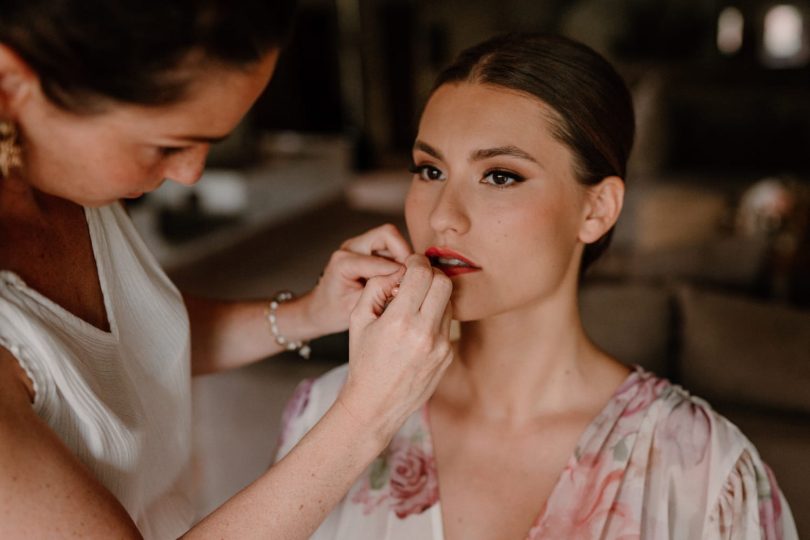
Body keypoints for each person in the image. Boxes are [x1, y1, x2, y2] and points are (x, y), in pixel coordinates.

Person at [275, 33, 798, 539]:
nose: (443, 218)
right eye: (430, 170)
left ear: (596, 210)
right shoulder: (326, 412)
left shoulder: (706, 473)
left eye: (500, 175)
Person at [0, 0, 454, 538]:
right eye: (167, 145)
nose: (189, 175)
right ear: (8, 86)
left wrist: (308, 313)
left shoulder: (57, 172)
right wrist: (368, 413)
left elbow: (106, 349)